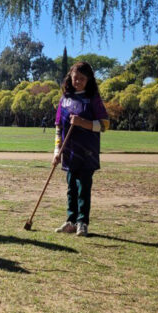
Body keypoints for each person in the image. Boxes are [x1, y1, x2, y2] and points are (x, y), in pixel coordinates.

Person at [52, 62, 108, 237]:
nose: (78, 81)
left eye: (82, 79)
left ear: (88, 80)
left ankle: (82, 222)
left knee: (83, 187)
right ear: (71, 77)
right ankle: (71, 221)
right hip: (69, 152)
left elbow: (105, 125)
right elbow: (58, 127)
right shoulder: (64, 99)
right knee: (71, 187)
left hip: (88, 151)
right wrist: (56, 151)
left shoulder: (93, 98)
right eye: (75, 78)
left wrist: (84, 123)